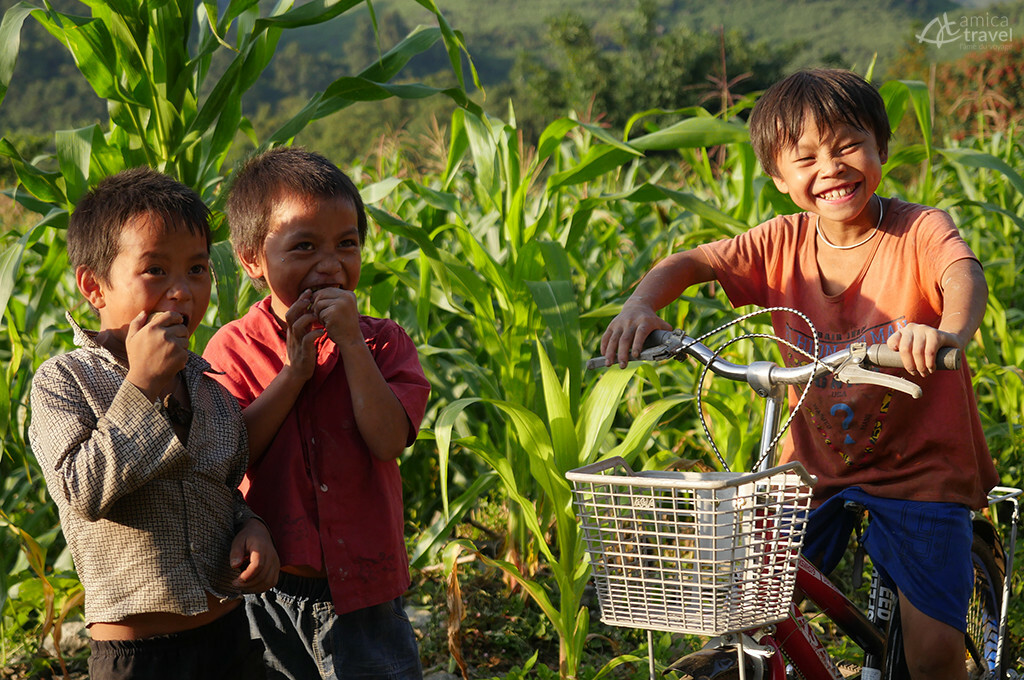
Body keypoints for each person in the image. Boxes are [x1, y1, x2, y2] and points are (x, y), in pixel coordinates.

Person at [601, 68, 998, 680]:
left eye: (847, 145)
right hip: (815, 468)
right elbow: (695, 261)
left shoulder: (919, 230)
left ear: (880, 149)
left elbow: (961, 274)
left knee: (933, 657)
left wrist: (946, 330)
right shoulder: (780, 242)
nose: (831, 167)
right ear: (779, 178)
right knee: (746, 601)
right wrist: (641, 305)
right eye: (805, 157)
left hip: (921, 468)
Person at [29, 167, 280, 680]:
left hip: (229, 637)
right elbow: (83, 489)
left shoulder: (210, 387)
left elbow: (222, 486)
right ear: (94, 286)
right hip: (137, 658)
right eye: (155, 271)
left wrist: (251, 527)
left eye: (196, 269)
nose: (182, 292)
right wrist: (142, 386)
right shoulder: (63, 382)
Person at [203, 146, 431, 680]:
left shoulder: (383, 343)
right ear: (252, 259)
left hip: (364, 592)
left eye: (346, 244)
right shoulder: (232, 350)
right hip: (272, 589)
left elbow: (388, 440)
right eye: (304, 246)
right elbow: (230, 457)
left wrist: (351, 346)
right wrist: (294, 374)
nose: (330, 264)